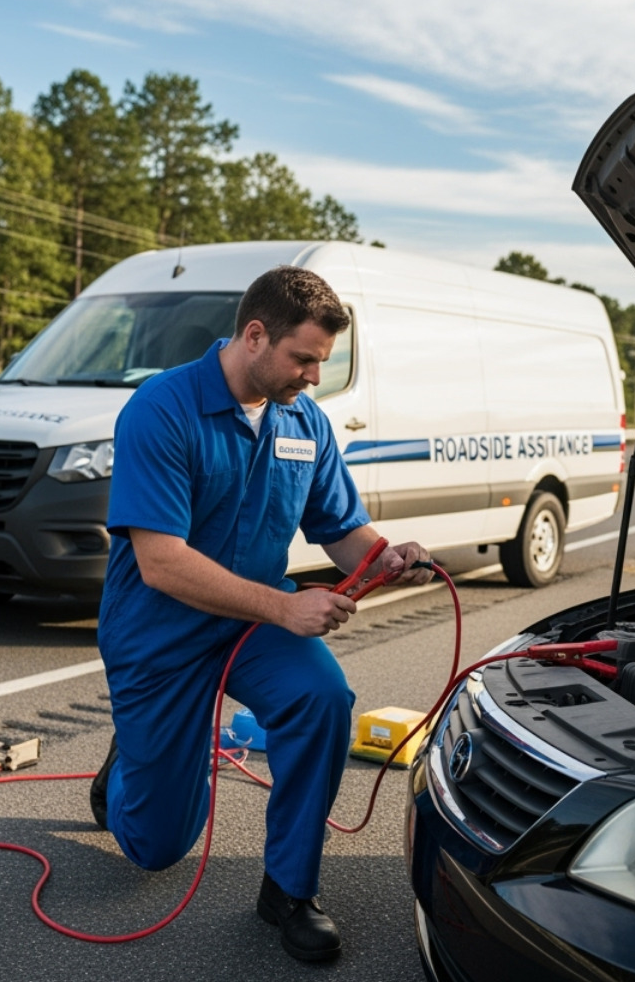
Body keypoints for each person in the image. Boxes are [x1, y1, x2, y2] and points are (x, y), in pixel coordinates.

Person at [91, 265, 431, 963]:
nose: (313, 376)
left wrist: (386, 555)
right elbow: (160, 562)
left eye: (322, 362)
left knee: (323, 696)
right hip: (161, 630)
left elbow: (341, 530)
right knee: (157, 848)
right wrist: (285, 606)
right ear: (254, 336)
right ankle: (126, 768)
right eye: (303, 358)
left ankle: (289, 889)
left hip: (250, 628)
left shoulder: (305, 422)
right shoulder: (162, 409)